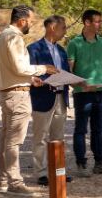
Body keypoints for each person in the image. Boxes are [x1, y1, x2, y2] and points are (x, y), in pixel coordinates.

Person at [0, 5, 58, 194]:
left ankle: (4, 181)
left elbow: (10, 68)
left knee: (6, 139)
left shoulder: (1, 36)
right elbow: (20, 67)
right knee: (14, 141)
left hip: (8, 91)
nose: (32, 24)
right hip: (17, 95)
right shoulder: (14, 37)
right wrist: (43, 69)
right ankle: (15, 182)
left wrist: (30, 79)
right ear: (22, 21)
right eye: (31, 21)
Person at [67, 9, 102, 177]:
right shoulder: (74, 43)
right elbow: (69, 70)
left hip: (100, 94)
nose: (100, 24)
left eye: (101, 21)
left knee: (98, 129)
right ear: (87, 22)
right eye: (97, 21)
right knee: (81, 130)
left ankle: (100, 162)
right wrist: (78, 84)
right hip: (82, 94)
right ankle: (81, 163)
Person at [27, 15, 75, 186]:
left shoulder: (62, 50)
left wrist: (74, 80)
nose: (65, 31)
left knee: (58, 138)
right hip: (42, 97)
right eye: (63, 27)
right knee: (40, 137)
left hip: (61, 97)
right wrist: (40, 79)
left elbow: (65, 72)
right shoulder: (33, 48)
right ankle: (41, 173)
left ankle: (59, 171)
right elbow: (28, 72)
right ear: (52, 27)